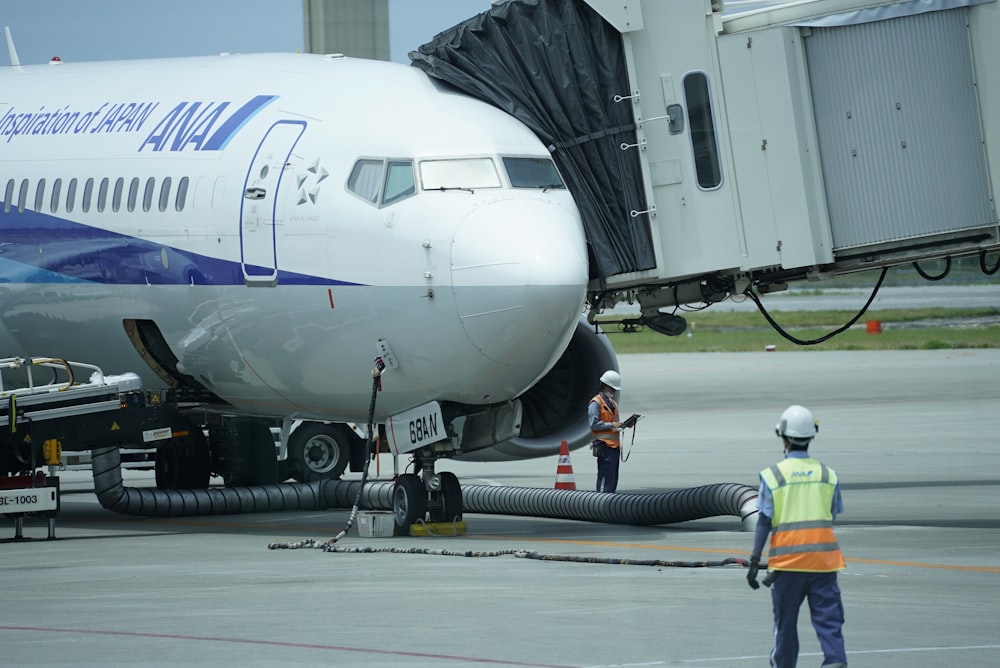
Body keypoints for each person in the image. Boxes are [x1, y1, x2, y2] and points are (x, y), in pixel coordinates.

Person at [746, 405, 847, 668]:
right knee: (830, 622)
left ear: (783, 436)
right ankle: (835, 662)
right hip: (824, 565)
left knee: (785, 625)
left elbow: (764, 522)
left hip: (787, 566)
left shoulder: (773, 476)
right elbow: (832, 514)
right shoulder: (828, 475)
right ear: (811, 435)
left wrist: (755, 560)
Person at [588, 369, 622, 493]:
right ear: (605, 386)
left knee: (612, 478)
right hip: (605, 447)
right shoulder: (596, 403)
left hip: (615, 448)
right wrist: (611, 425)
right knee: (605, 478)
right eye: (612, 389)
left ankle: (609, 504)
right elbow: (593, 424)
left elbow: (613, 423)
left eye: (614, 390)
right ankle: (601, 503)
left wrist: (623, 425)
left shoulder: (613, 404)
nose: (613, 392)